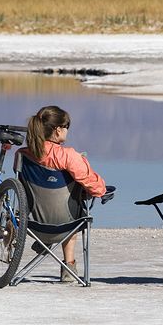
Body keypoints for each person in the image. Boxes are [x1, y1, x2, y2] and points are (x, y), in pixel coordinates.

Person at [16, 105, 108, 283]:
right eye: (66, 127)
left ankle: (45, 242)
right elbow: (95, 187)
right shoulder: (69, 156)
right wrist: (103, 189)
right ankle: (68, 268)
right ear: (58, 130)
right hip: (65, 224)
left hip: (32, 223)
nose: (67, 131)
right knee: (73, 207)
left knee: (57, 205)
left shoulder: (22, 155)